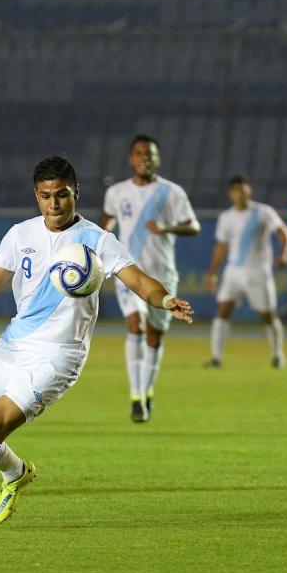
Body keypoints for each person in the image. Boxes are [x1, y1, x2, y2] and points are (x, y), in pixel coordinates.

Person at [0, 156, 193, 532]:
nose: (53, 204)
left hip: (58, 356)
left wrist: (166, 299)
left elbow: (138, 281)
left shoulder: (97, 241)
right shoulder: (20, 235)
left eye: (61, 195)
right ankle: (18, 472)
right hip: (13, 344)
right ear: (36, 196)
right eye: (45, 196)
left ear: (76, 193)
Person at [101, 135, 200, 423]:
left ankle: (146, 391)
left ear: (158, 159)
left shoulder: (171, 192)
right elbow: (105, 223)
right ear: (130, 158)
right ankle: (135, 397)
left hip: (162, 273)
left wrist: (168, 227)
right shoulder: (117, 193)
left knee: (155, 336)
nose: (145, 158)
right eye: (139, 153)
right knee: (136, 325)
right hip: (129, 273)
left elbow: (193, 225)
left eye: (150, 154)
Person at [204, 175, 287, 369]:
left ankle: (277, 355)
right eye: (236, 190)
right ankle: (216, 358)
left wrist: (284, 254)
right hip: (233, 270)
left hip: (258, 270)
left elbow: (284, 232)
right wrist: (212, 273)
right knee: (222, 311)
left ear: (249, 191)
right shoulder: (226, 217)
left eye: (243, 189)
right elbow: (220, 247)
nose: (240, 193)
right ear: (230, 194)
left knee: (267, 315)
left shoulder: (263, 212)